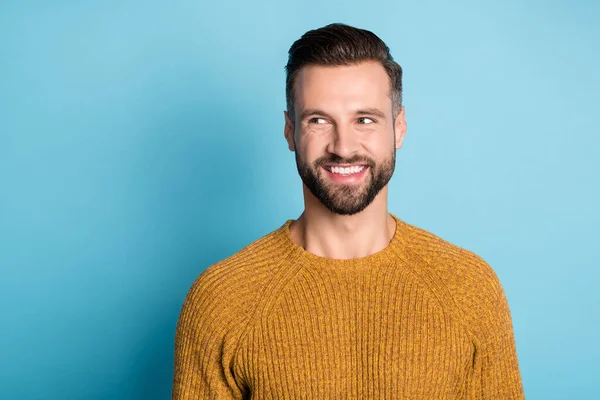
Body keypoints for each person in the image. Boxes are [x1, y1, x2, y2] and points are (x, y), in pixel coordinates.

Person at [171, 23, 525, 399]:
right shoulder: (223, 298)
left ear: (399, 128)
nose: (343, 147)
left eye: (365, 119)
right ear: (290, 131)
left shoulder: (468, 287)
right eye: (319, 120)